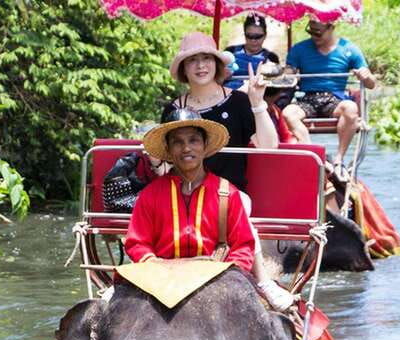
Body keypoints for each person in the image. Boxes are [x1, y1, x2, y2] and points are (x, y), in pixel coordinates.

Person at [161, 32, 294, 311]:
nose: (200, 66)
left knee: (236, 202)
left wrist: (258, 103)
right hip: (184, 188)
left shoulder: (237, 102)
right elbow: (165, 158)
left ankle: (263, 281)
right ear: (184, 69)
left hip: (228, 190)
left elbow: (269, 147)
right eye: (192, 60)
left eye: (206, 59)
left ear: (217, 65)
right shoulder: (174, 110)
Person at [125, 109, 255, 273]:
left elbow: (243, 247)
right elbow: (137, 244)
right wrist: (154, 264)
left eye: (193, 140)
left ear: (205, 144)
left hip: (214, 278)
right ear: (168, 148)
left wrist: (228, 275)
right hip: (162, 276)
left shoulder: (227, 193)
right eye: (177, 142)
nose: (186, 148)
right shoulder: (150, 195)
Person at [282, 17, 376, 176]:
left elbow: (371, 84)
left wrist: (365, 76)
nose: (314, 36)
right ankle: (314, 156)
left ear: (331, 27)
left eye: (318, 32)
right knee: (288, 113)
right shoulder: (300, 49)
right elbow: (288, 73)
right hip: (307, 98)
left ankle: (339, 160)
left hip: (333, 99)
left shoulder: (349, 49)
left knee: (351, 108)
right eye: (310, 31)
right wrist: (287, 74)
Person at [223, 14, 280, 91]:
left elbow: (274, 86)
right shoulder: (230, 52)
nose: (253, 40)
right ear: (244, 34)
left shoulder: (271, 57)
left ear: (265, 36)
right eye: (249, 36)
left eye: (258, 36)